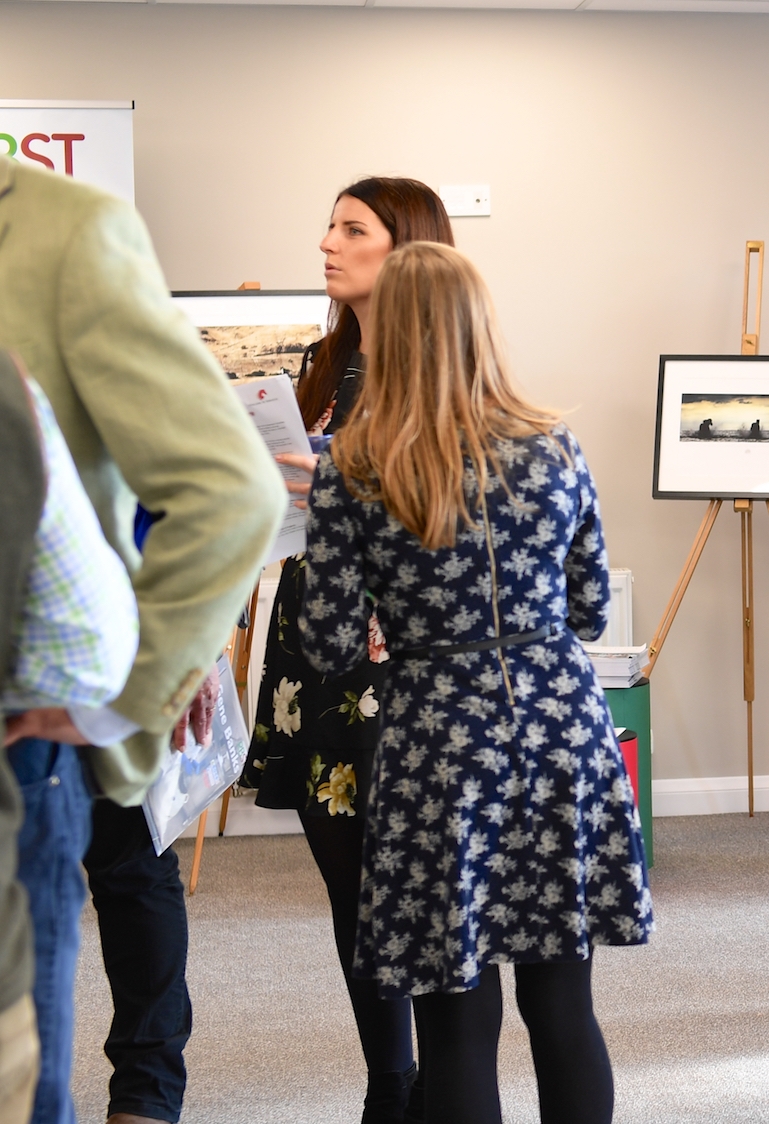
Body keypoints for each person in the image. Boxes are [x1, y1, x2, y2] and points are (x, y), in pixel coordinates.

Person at [300, 241, 653, 1124]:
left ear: (394, 336)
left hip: (434, 743)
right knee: (564, 1006)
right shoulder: (555, 447)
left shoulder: (356, 465)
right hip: (560, 726)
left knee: (455, 1024)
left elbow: (328, 643)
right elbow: (590, 609)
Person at [0, 159, 283, 1124]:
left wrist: (162, 674)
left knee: (131, 872)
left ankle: (149, 1088)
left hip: (69, 679)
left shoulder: (65, 240)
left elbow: (207, 495)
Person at [239, 177, 453, 1123]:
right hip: (310, 638)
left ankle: (443, 1078)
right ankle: (389, 1081)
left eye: (352, 228)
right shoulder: (322, 364)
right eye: (329, 224)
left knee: (413, 879)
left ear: (403, 249)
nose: (328, 242)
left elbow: (448, 516)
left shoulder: (444, 373)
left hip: (397, 652)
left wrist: (341, 481)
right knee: (345, 878)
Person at [0, 354, 141, 1124]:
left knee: (24, 1016)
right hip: (54, 714)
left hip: (39, 730)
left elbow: (235, 499)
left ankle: (148, 1086)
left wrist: (129, 702)